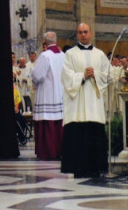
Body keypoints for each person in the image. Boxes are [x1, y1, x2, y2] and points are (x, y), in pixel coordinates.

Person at [60, 23, 109, 178]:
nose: (83, 35)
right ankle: (78, 168)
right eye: (80, 32)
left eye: (86, 32)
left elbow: (108, 75)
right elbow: (66, 76)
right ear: (77, 35)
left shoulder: (100, 54)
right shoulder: (70, 54)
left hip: (94, 101)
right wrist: (82, 76)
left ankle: (96, 168)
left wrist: (96, 74)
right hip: (77, 103)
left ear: (91, 34)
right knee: (77, 136)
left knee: (95, 134)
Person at [30, 31, 65, 160]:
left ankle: (47, 152)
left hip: (47, 93)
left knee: (47, 121)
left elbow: (38, 75)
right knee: (58, 123)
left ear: (45, 43)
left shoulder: (45, 56)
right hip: (60, 93)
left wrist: (32, 74)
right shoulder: (63, 55)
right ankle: (59, 151)